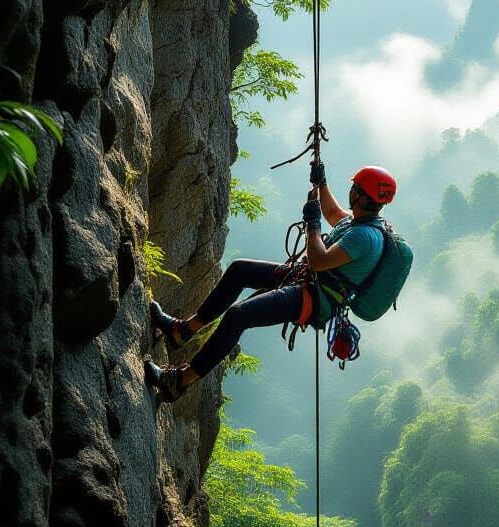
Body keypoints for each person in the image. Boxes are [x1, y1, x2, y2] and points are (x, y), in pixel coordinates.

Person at [144, 163, 396, 402]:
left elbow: (319, 260)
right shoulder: (360, 221)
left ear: (362, 197)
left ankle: (179, 381)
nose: (351, 191)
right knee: (240, 270)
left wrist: (313, 224)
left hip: (317, 298)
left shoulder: (364, 237)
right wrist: (322, 183)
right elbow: (332, 213)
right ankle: (183, 331)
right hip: (310, 280)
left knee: (238, 316)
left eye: (355, 189)